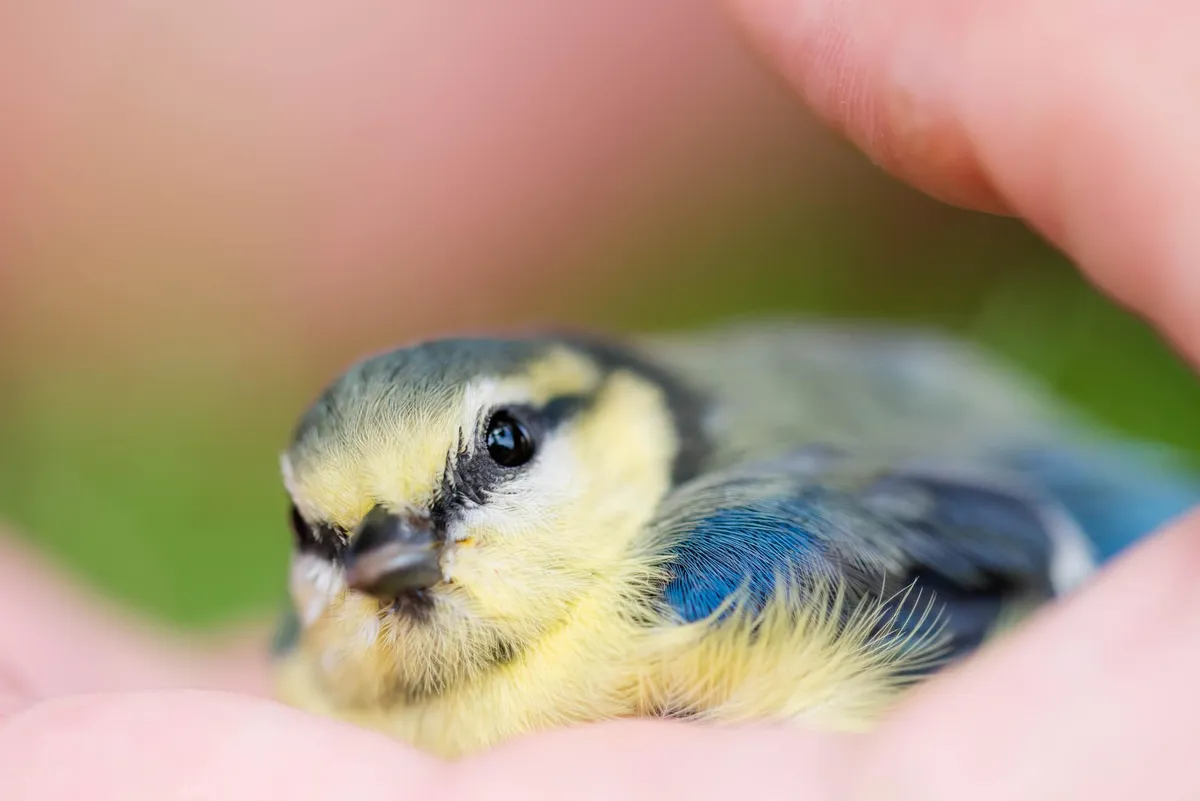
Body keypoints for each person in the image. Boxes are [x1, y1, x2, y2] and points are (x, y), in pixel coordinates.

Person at [4, 0, 1200, 797]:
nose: (398, 553)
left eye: (503, 448)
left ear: (606, 421)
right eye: (333, 541)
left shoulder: (715, 574)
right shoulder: (303, 675)